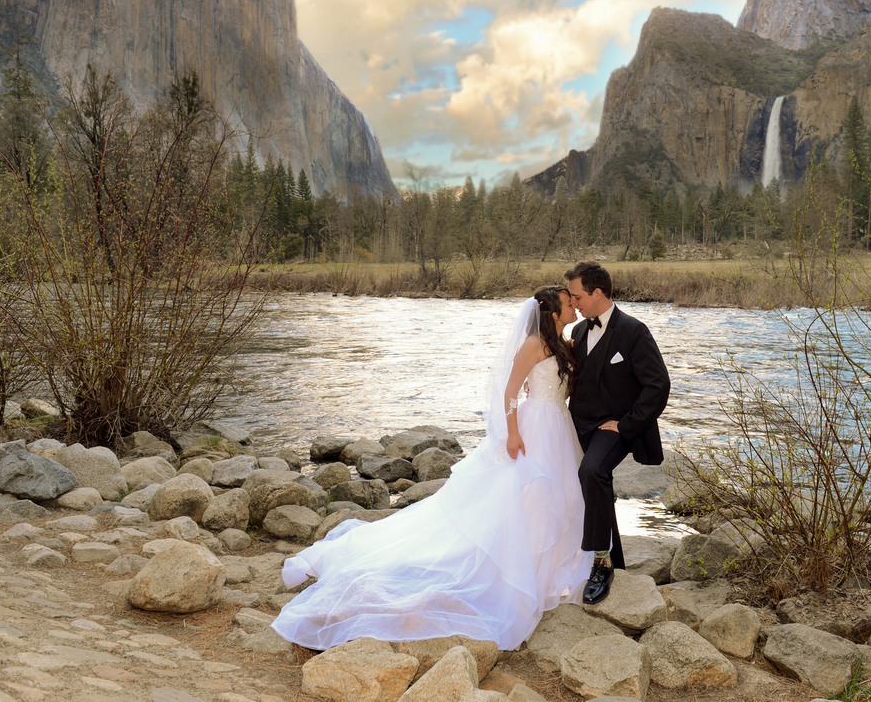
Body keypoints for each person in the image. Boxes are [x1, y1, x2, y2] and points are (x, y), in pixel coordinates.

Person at [271, 286, 593, 651]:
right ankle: (520, 570)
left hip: (559, 427)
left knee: (560, 496)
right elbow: (509, 393)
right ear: (553, 313)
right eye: (569, 304)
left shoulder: (567, 343)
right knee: (528, 494)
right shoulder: (533, 344)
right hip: (534, 429)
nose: (575, 308)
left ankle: (550, 570)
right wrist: (513, 433)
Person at [565, 261, 670, 604]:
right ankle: (617, 562)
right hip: (577, 426)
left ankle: (601, 564)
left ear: (597, 293)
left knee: (593, 471)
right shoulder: (579, 332)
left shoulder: (633, 331)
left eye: (578, 296)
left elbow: (658, 385)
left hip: (615, 428)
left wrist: (627, 424)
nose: (574, 302)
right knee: (581, 485)